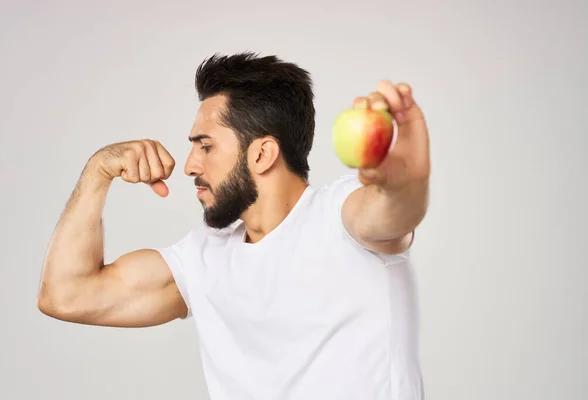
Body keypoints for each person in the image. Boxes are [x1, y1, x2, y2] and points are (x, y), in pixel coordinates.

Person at [37, 52, 430, 400]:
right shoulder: (203, 258)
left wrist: (403, 180)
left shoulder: (341, 217)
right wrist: (98, 171)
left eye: (205, 146)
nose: (190, 165)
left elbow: (393, 210)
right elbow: (66, 294)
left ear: (261, 154)